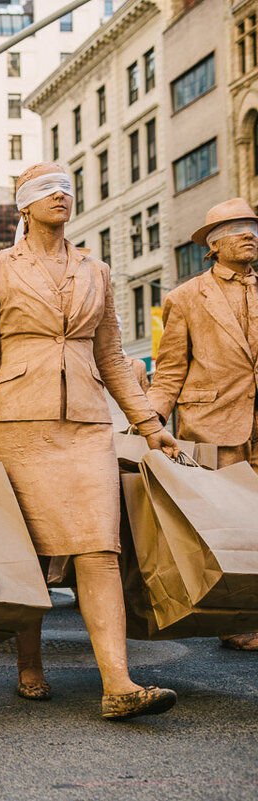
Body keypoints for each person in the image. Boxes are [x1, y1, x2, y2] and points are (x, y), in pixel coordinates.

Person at [0, 162, 180, 720]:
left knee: (100, 549)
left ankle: (117, 683)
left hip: (88, 425)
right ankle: (29, 664)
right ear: (24, 205)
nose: (60, 196)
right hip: (18, 423)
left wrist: (151, 427)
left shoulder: (98, 270)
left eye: (66, 188)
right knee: (28, 551)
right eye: (47, 190)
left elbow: (111, 357)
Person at [147, 197, 258, 652]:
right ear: (214, 245)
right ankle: (235, 620)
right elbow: (170, 369)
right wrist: (150, 419)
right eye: (238, 227)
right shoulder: (187, 298)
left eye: (252, 225)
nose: (250, 234)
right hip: (214, 425)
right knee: (230, 529)